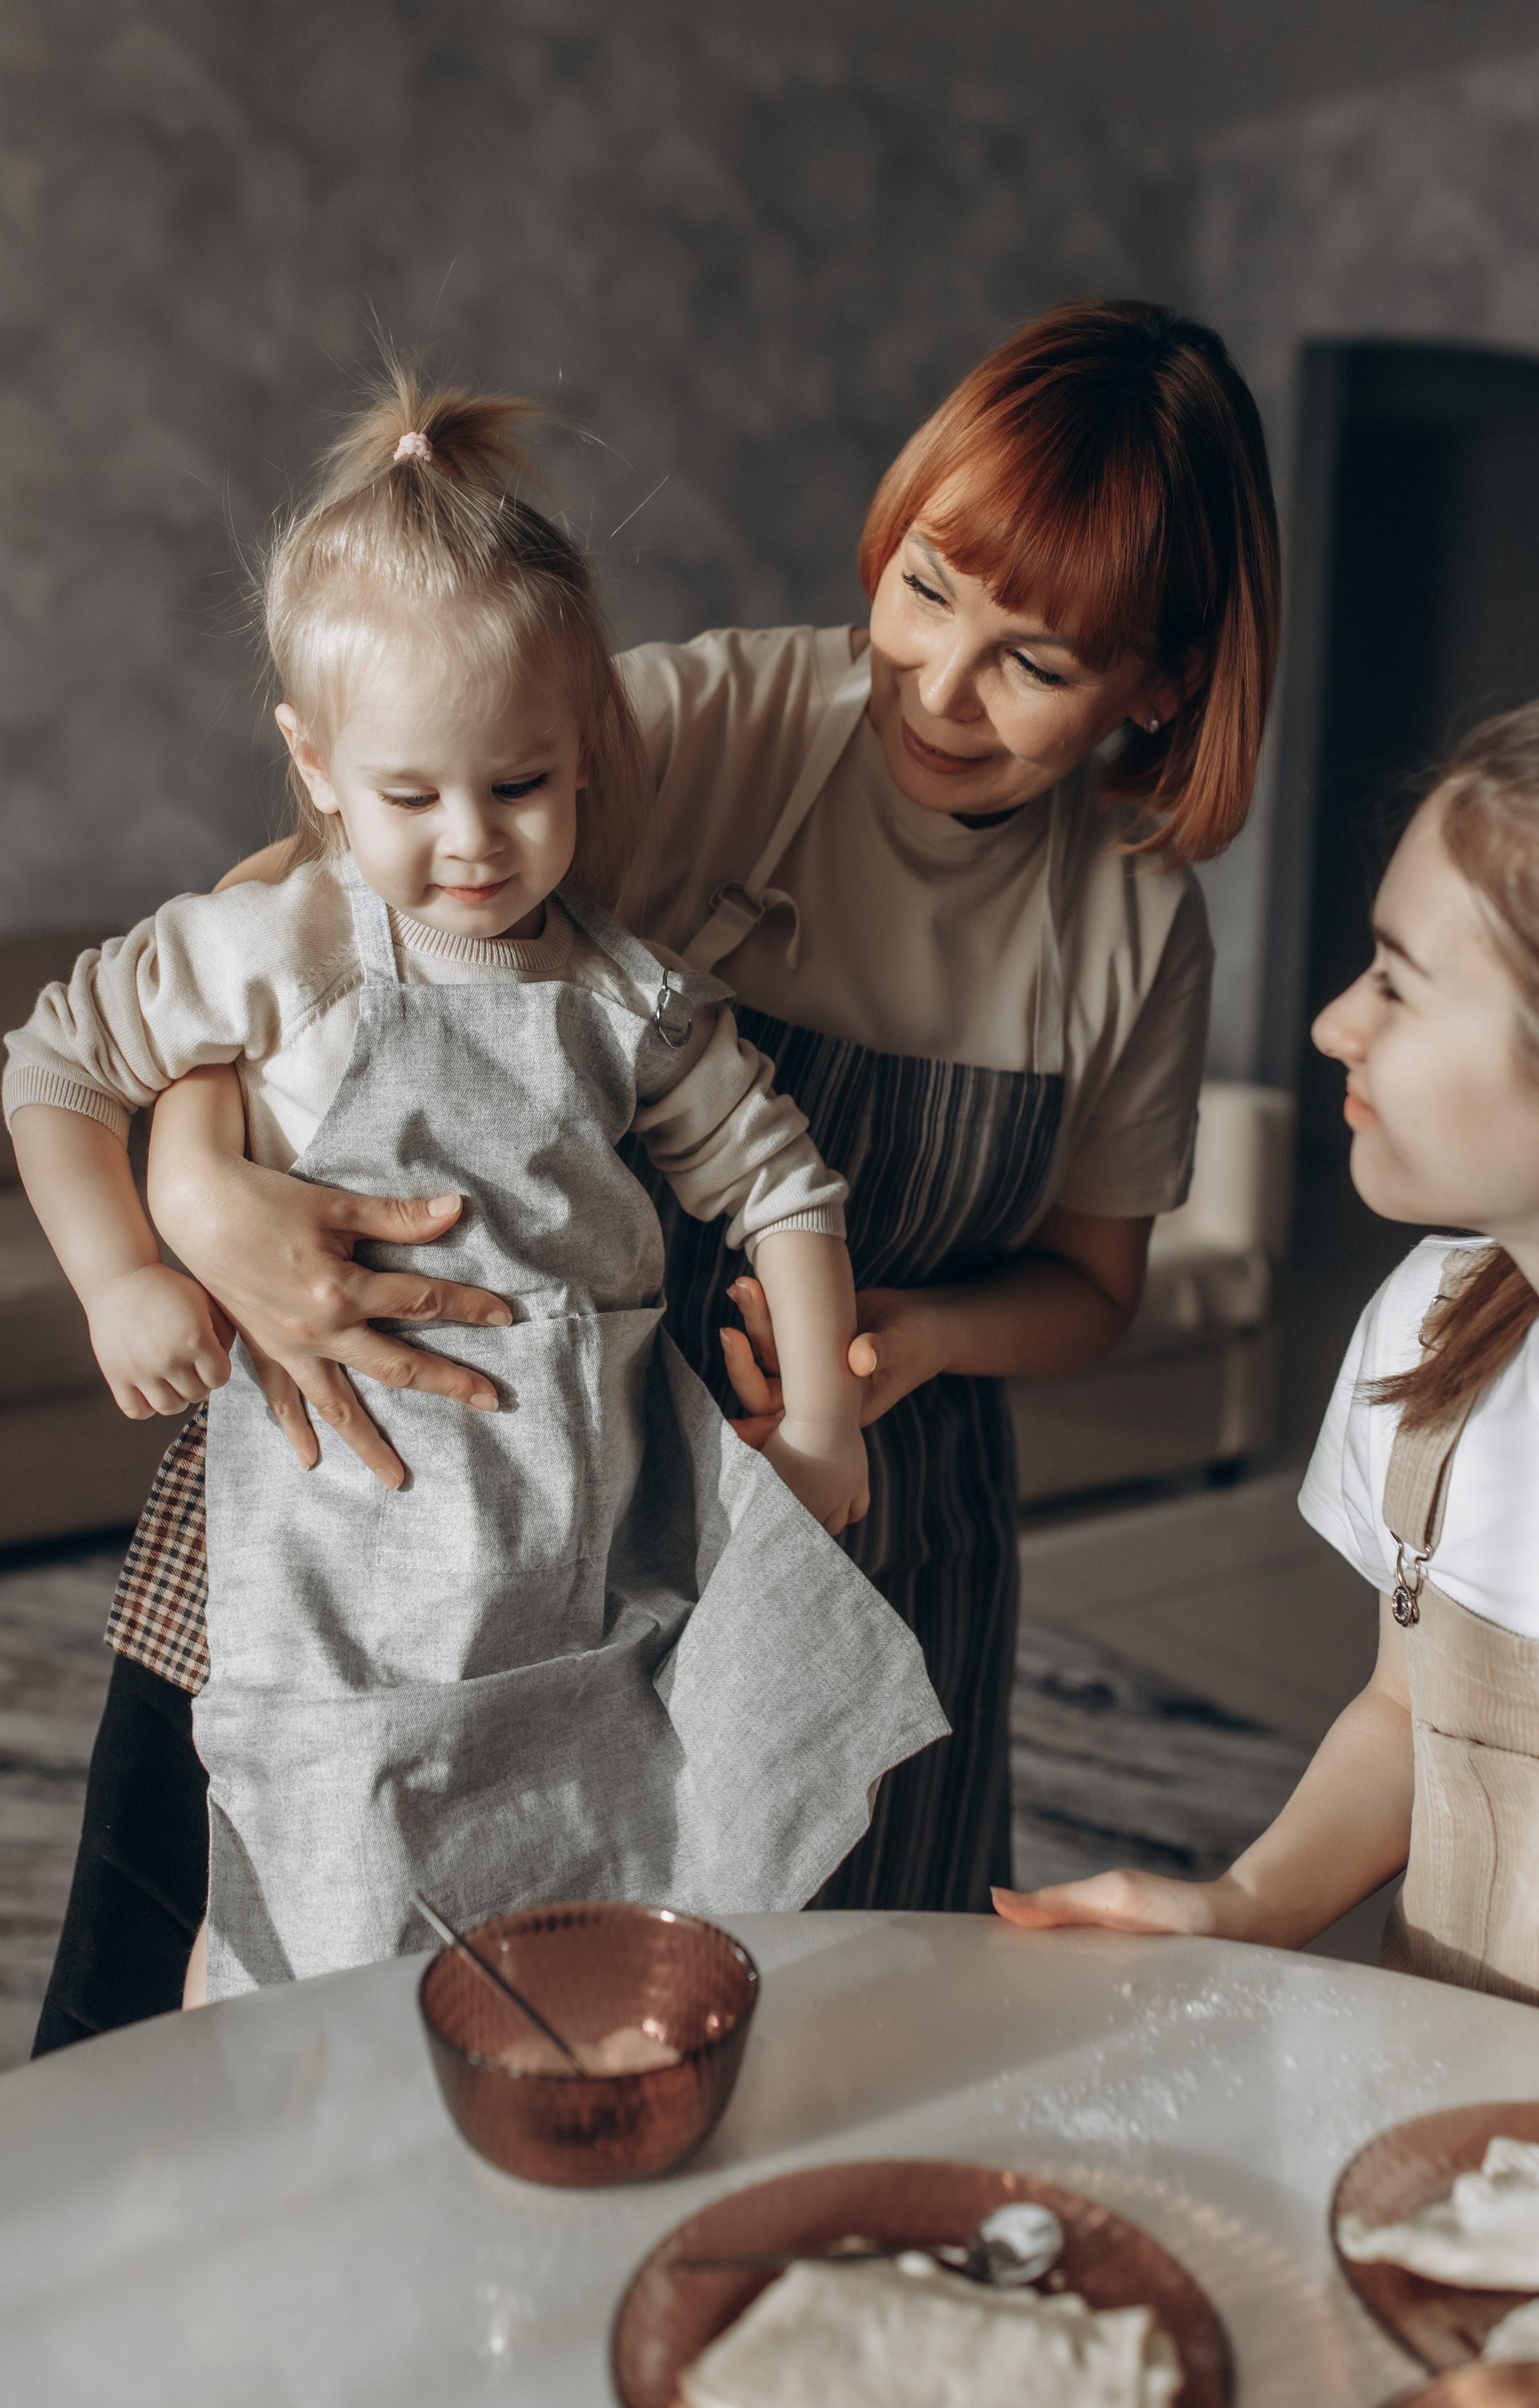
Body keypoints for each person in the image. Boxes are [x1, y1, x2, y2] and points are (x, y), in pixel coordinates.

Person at [39, 297, 1283, 2048]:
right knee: (260, 1967)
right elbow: (316, 890)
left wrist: (901, 1353)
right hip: (429, 1454)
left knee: (797, 2026)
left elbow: (1090, 1291)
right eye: (928, 588)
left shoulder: (1138, 930)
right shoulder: (722, 718)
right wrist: (193, 1200)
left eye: (1036, 662)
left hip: (845, 1505)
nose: (937, 683)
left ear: (1159, 685)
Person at [7, 373, 947, 2014]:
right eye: (409, 795)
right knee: (315, 1903)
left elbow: (790, 1184)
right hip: (337, 1546)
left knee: (573, 1868)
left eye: (519, 787)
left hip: (570, 1535)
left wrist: (821, 1423)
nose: (471, 843)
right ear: (315, 770)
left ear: (583, 759)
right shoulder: (274, 950)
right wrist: (121, 1275)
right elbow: (54, 1066)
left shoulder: (630, 999)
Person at [997, 690, 1539, 2025]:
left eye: (1395, 981)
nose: (1335, 1022)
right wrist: (1239, 1906)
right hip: (1456, 2162)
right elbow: (1405, 1723)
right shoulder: (1430, 1333)